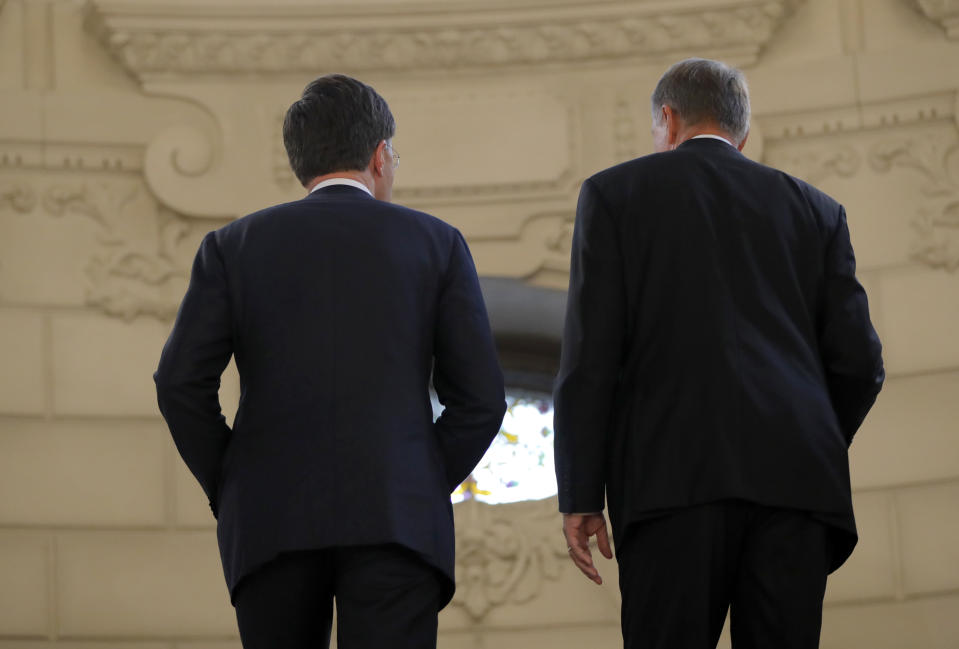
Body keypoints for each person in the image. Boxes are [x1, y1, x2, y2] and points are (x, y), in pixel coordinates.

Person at [154, 74, 506, 649]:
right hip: (399, 520)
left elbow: (178, 385)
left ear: (303, 162)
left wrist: (236, 480)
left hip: (269, 519)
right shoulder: (437, 243)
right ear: (378, 155)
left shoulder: (231, 247)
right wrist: (414, 480)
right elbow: (483, 399)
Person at [553, 58, 884, 649]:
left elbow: (591, 357)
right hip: (797, 487)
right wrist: (808, 440)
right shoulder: (818, 209)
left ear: (668, 120)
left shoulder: (613, 194)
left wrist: (582, 494)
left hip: (667, 482)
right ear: (743, 133)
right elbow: (860, 363)